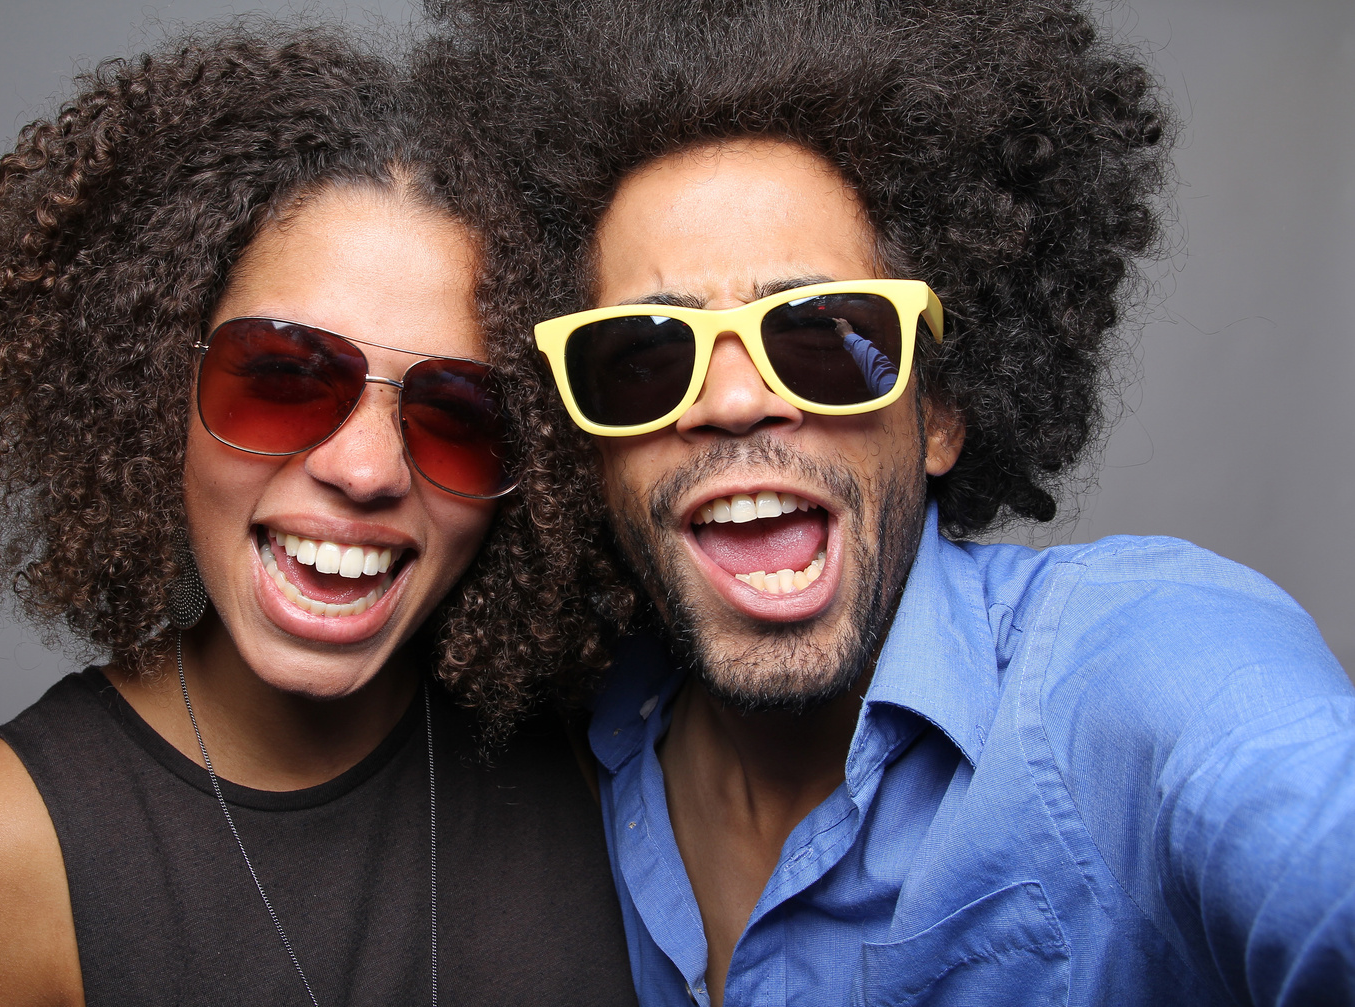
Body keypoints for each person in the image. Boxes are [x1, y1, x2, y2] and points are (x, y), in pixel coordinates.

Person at [413, 1, 1355, 1004]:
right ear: (583, 448)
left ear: (937, 413)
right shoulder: (572, 757)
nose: (734, 402)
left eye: (821, 336)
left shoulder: (1129, 675)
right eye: (644, 357)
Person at [0, 19, 636, 1007]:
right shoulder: (2, 845)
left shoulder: (607, 752)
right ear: (159, 383)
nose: (364, 469)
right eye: (282, 377)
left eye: (458, 414)